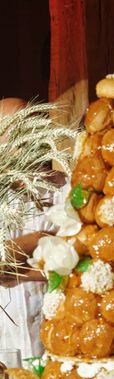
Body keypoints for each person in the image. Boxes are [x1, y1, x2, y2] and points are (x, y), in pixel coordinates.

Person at [0, 98, 61, 358]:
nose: (24, 139)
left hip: (56, 351)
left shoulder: (68, 191)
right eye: (12, 130)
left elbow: (81, 263)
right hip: (5, 352)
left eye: (31, 127)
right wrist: (43, 238)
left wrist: (15, 271)